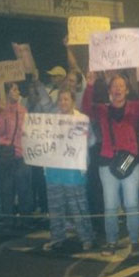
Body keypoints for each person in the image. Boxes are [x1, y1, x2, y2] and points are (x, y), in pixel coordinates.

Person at [83, 71, 139, 256]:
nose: (118, 89)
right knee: (110, 206)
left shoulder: (135, 107)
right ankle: (111, 241)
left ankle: (134, 241)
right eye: (114, 86)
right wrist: (89, 85)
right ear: (109, 90)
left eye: (122, 86)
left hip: (131, 162)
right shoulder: (102, 110)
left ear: (127, 90)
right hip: (107, 162)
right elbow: (85, 110)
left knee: (131, 204)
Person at [42, 89, 94, 251]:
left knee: (78, 205)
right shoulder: (51, 121)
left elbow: (92, 141)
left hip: (73, 171)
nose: (63, 102)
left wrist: (85, 137)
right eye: (61, 100)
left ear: (73, 101)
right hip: (54, 170)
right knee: (55, 206)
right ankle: (57, 237)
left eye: (66, 99)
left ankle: (86, 237)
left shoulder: (82, 119)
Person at [0, 82, 32, 229]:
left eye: (17, 89)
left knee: (24, 189)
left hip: (20, 156)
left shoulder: (23, 110)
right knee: (6, 190)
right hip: (2, 156)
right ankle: (8, 221)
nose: (18, 91)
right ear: (6, 93)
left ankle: (25, 220)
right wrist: (1, 114)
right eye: (14, 89)